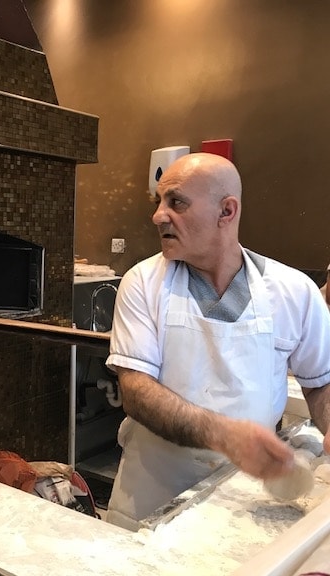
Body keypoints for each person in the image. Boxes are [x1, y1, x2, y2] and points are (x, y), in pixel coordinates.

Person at [104, 152, 330, 530]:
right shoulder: (143, 283)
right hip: (150, 491)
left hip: (244, 494)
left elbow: (320, 381)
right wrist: (225, 435)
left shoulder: (294, 292)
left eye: (176, 202)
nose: (158, 215)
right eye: (159, 202)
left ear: (226, 211)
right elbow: (137, 392)